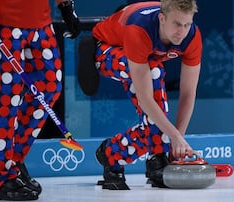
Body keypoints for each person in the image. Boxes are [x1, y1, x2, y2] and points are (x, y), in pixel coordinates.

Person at [78, 0, 202, 190]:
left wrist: (178, 141)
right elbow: (145, 99)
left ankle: (113, 154)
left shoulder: (192, 36)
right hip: (105, 49)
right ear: (162, 18)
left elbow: (188, 93)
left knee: (154, 77)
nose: (182, 31)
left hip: (146, 57)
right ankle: (151, 158)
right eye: (176, 24)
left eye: (187, 24)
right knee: (155, 72)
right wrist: (173, 138)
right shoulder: (140, 29)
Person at [0, 0, 79, 200]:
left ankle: (12, 160)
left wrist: (66, 5)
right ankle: (1, 176)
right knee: (7, 94)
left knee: (49, 85)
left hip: (40, 20)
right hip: (1, 18)